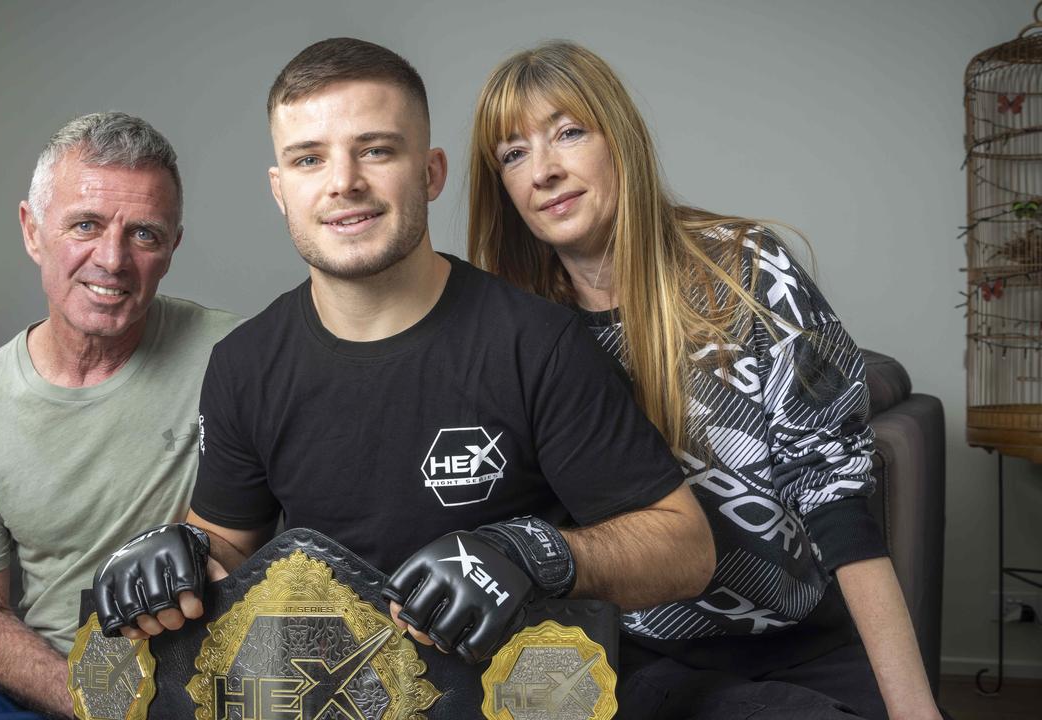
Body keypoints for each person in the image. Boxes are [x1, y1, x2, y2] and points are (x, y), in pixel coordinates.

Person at [92, 37, 715, 668]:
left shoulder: (536, 342)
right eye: (309, 159)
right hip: (327, 692)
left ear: (431, 172)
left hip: (512, 698)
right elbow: (228, 540)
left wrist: (534, 553)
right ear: (280, 190)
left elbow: (684, 548)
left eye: (377, 150)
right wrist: (183, 555)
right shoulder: (243, 365)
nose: (344, 183)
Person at [466, 41, 939, 719]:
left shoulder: (744, 272)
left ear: (618, 140)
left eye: (569, 133)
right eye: (513, 154)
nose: (544, 171)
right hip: (627, 660)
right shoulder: (519, 328)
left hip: (802, 641)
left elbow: (836, 497)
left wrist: (914, 708)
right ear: (503, 186)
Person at [0, 112, 240, 719]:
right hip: (55, 682)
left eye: (145, 234)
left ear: (173, 248)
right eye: (85, 225)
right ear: (32, 229)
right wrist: (88, 701)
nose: (113, 259)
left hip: (203, 680)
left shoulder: (236, 357)